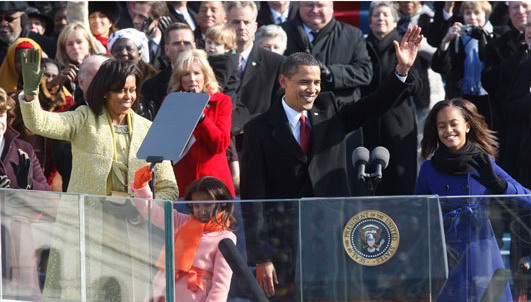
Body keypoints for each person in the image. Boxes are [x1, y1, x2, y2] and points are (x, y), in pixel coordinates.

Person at [241, 26, 423, 298]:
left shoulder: (329, 110)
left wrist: (401, 72)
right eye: (304, 82)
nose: (312, 89)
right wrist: (261, 257)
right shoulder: (259, 128)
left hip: (332, 234)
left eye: (316, 82)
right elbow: (253, 196)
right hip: (285, 240)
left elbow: (373, 105)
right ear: (283, 82)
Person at [19, 50, 179, 301]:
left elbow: (168, 185)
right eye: (121, 90)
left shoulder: (149, 129)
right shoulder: (84, 119)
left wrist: (151, 206)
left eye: (132, 90)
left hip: (132, 228)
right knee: (83, 291)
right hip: (85, 224)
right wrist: (30, 95)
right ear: (105, 90)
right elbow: (41, 124)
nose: (128, 96)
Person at [414, 98, 531, 301]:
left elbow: (527, 199)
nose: (448, 130)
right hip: (446, 252)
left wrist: (499, 185)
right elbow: (417, 212)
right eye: (441, 126)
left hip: (481, 250)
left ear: (467, 126)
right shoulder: (428, 169)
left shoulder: (483, 162)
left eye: (453, 124)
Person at [133, 174, 236, 302]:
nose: (202, 211)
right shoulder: (181, 221)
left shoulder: (226, 237)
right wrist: (141, 187)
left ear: (222, 203)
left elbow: (221, 285)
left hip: (195, 295)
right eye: (197, 206)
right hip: (165, 290)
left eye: (207, 204)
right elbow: (151, 211)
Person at [362, 2, 426, 196]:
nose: (380, 18)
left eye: (385, 15)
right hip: (366, 124)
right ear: (370, 21)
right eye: (376, 15)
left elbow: (420, 90)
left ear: (395, 20)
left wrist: (404, 70)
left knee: (400, 182)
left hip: (399, 126)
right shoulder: (360, 46)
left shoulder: (407, 46)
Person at [167, 49, 235, 197]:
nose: (192, 79)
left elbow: (220, 144)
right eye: (186, 74)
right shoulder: (171, 102)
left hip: (214, 183)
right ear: (179, 78)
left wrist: (201, 118)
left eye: (197, 73)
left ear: (205, 75)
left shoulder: (221, 101)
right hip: (182, 181)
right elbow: (167, 146)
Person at [431, 1, 501, 128]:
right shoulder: (458, 37)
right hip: (463, 98)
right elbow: (440, 67)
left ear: (485, 14)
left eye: (477, 13)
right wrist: (446, 40)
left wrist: (486, 38)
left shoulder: (496, 36)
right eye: (468, 13)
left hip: (490, 100)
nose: (472, 17)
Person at [0, 87, 48, 191]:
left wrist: (29, 184)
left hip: (18, 207)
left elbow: (49, 198)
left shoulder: (24, 149)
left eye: (1, 115)